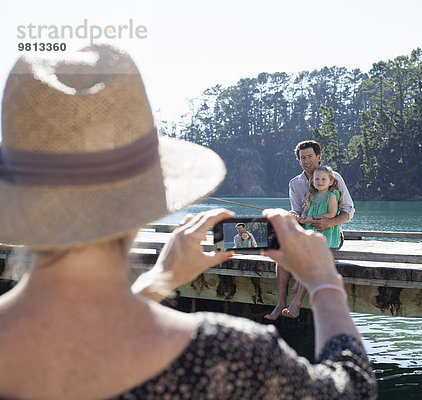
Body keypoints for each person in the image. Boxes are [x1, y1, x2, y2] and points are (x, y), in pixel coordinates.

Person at [0, 45, 376, 399]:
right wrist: (324, 283)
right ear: (147, 197)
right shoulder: (229, 353)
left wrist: (154, 282)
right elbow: (352, 387)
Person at [265, 140, 355, 320]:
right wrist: (293, 216)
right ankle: (281, 303)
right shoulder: (295, 184)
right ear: (299, 161)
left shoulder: (333, 177)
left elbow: (349, 210)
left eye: (310, 156)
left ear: (318, 157)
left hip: (329, 234)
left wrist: (330, 223)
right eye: (302, 158)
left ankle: (296, 303)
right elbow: (299, 213)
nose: (307, 161)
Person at [299, 165, 342, 249]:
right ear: (312, 181)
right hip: (310, 230)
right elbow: (305, 211)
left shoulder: (332, 195)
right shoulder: (311, 195)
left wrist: (313, 219)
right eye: (317, 179)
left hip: (325, 231)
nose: (320, 182)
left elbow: (331, 214)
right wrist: (303, 218)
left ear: (331, 182)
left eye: (323, 179)